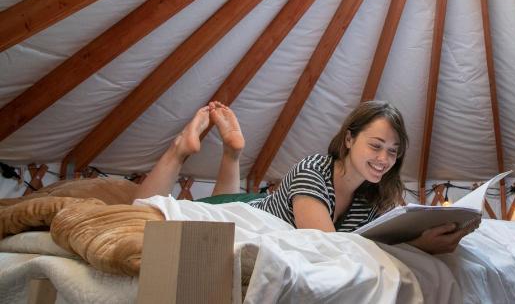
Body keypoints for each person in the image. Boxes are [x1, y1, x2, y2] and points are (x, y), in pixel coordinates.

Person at [136, 100, 477, 254]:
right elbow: (327, 244)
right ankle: (181, 148)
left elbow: (388, 233)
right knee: (139, 213)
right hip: (248, 213)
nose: (383, 159)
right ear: (349, 139)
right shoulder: (314, 169)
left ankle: (233, 151)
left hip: (246, 206)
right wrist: (415, 246)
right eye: (376, 145)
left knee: (224, 200)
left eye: (393, 151)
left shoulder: (375, 195)